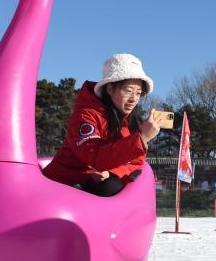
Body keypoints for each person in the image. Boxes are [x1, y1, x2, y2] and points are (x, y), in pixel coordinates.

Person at [43, 53, 162, 196]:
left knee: (116, 185)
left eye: (138, 93)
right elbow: (95, 157)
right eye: (128, 91)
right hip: (63, 184)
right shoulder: (87, 115)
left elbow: (136, 161)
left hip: (92, 181)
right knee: (110, 189)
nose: (134, 99)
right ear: (110, 88)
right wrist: (142, 139)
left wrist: (112, 172)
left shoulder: (129, 120)